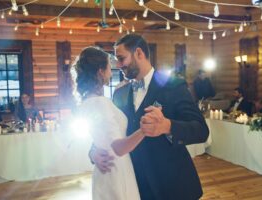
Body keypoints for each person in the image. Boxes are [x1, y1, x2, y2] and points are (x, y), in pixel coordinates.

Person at [90, 34, 209, 200]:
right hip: (136, 186)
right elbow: (108, 129)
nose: (118, 65)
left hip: (173, 185)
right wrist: (93, 152)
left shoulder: (173, 85)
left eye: (121, 58)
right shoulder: (119, 93)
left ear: (139, 53)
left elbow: (201, 130)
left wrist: (167, 126)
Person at [75, 46, 142, 200]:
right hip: (116, 168)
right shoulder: (102, 102)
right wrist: (144, 129)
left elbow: (103, 135)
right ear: (100, 71)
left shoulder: (89, 102)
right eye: (109, 67)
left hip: (112, 168)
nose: (113, 71)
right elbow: (116, 145)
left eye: (121, 59)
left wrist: (94, 151)